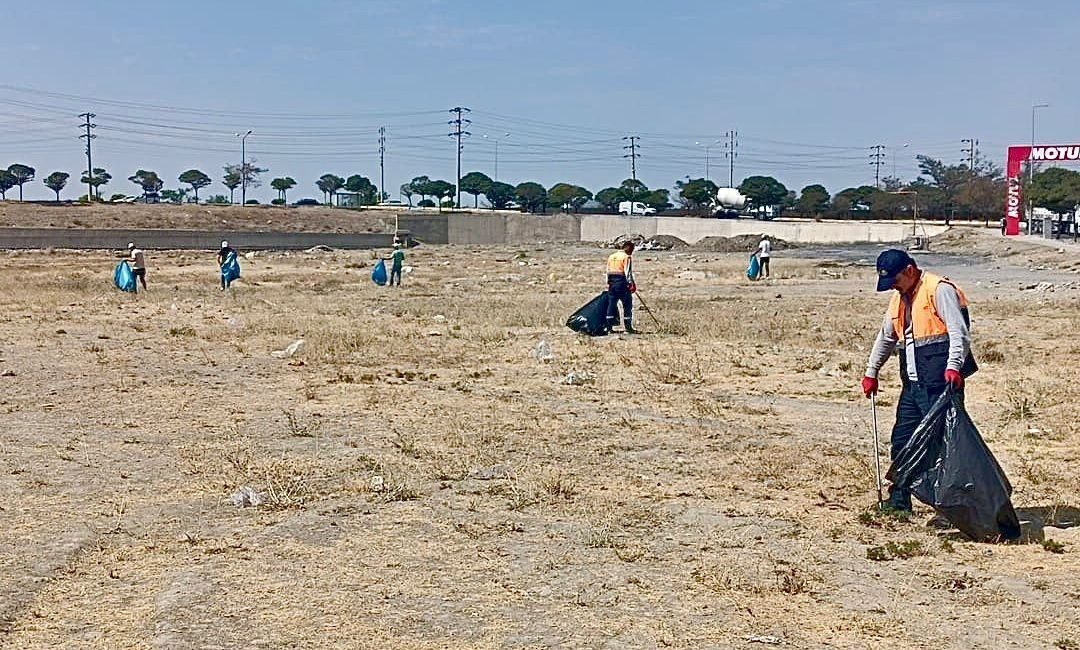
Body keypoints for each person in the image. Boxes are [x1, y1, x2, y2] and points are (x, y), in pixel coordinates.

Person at [861, 249, 978, 512]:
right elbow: (886, 337)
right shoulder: (898, 298)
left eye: (895, 280)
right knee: (903, 441)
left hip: (941, 385)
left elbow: (959, 333)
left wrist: (954, 367)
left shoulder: (939, 289)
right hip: (913, 386)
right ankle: (899, 500)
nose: (893, 286)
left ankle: (955, 509)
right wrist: (871, 371)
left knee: (944, 447)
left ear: (909, 270)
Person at [605, 240, 637, 334]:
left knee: (611, 305)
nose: (632, 252)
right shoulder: (626, 257)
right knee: (627, 305)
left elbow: (607, 271)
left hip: (612, 284)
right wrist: (631, 284)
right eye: (632, 250)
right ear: (628, 248)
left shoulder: (611, 256)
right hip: (622, 283)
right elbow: (628, 272)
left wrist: (609, 282)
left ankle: (609, 328)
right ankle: (628, 328)